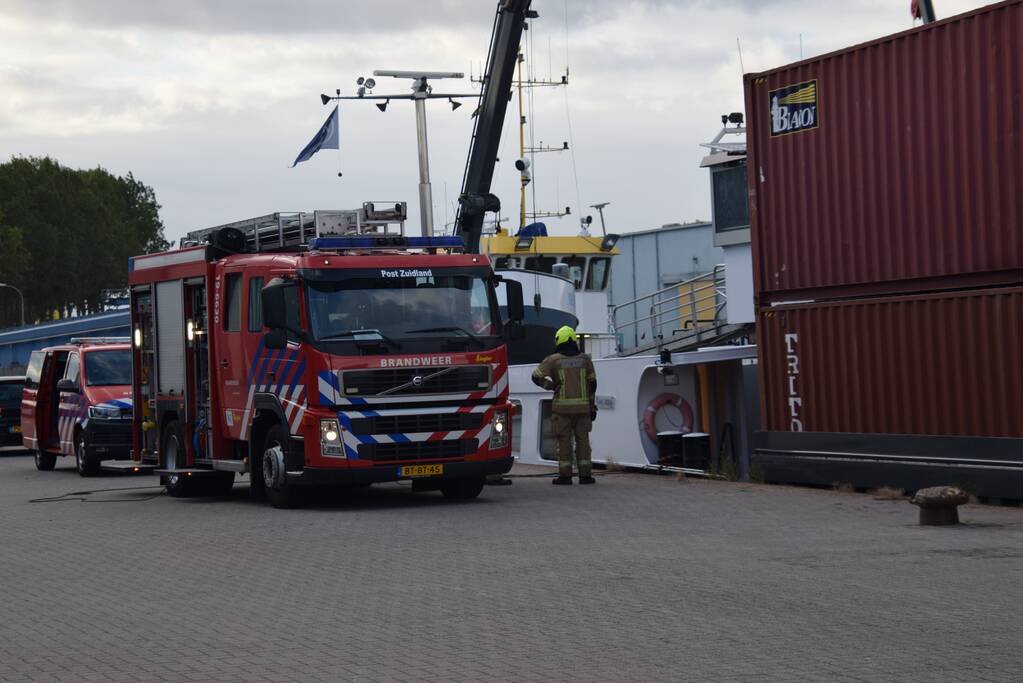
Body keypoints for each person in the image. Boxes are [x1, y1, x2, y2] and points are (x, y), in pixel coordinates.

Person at [531, 325, 598, 485]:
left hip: (562, 410)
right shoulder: (585, 360)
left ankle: (565, 477)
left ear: (558, 340)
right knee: (583, 442)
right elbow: (593, 384)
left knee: (564, 442)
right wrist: (592, 407)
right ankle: (585, 476)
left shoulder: (553, 360)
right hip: (583, 409)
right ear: (574, 340)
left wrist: (551, 386)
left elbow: (535, 376)